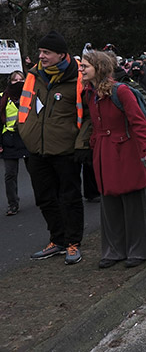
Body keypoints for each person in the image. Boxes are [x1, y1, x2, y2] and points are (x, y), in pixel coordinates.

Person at [18, 31, 92, 264]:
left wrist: (81, 145)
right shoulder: (34, 75)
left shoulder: (78, 78)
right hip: (37, 150)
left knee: (70, 198)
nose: (41, 56)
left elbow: (89, 116)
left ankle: (73, 243)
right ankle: (57, 239)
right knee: (44, 198)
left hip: (66, 151)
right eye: (40, 51)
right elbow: (25, 107)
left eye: (46, 52)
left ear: (61, 54)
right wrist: (26, 134)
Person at [80, 51, 146, 268]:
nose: (81, 69)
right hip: (103, 152)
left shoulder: (121, 91)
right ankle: (114, 250)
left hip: (126, 151)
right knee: (109, 203)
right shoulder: (89, 93)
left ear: (99, 68)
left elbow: (139, 122)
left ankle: (139, 250)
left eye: (85, 66)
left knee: (133, 202)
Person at [1, 71, 27, 215]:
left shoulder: (30, 96)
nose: (18, 82)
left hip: (27, 138)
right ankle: (13, 204)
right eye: (15, 80)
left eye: (21, 79)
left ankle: (45, 198)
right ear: (10, 82)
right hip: (9, 140)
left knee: (37, 171)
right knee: (10, 174)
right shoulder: (3, 97)